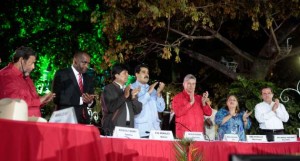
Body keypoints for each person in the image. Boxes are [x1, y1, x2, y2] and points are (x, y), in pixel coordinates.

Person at [0, 46, 55, 117]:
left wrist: (44, 100)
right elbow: (14, 102)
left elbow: (31, 102)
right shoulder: (5, 75)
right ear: (21, 61)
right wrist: (40, 100)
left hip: (31, 123)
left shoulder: (26, 76)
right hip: (17, 125)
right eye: (31, 63)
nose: (33, 67)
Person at [52, 51, 95, 124]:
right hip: (66, 120)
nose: (87, 66)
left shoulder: (88, 78)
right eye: (84, 63)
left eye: (88, 63)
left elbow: (91, 98)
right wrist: (81, 100)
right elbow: (56, 98)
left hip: (84, 120)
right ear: (75, 61)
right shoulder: (62, 74)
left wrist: (90, 101)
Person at [101, 64, 142, 136]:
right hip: (114, 128)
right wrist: (124, 96)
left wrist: (133, 97)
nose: (127, 75)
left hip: (129, 129)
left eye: (127, 73)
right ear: (116, 75)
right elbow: (110, 108)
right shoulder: (108, 88)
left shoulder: (129, 90)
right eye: (124, 73)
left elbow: (137, 110)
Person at [172, 74, 212, 139]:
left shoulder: (199, 98)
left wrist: (204, 103)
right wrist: (190, 103)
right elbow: (178, 113)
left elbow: (209, 113)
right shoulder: (177, 97)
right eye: (189, 83)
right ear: (183, 84)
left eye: (193, 84)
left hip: (198, 136)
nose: (191, 86)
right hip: (184, 137)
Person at [131, 64, 166, 137]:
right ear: (136, 74)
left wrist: (159, 93)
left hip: (155, 131)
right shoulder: (131, 88)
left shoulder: (152, 89)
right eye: (143, 72)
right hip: (141, 132)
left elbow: (161, 109)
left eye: (148, 73)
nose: (146, 75)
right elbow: (135, 107)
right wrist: (148, 93)